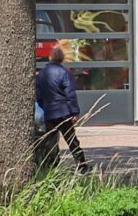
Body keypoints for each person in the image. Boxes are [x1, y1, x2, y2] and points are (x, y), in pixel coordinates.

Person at [33, 41, 93, 175]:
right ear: (61, 58)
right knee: (72, 140)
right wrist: (75, 112)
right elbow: (70, 94)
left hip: (49, 113)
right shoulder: (64, 73)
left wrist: (44, 106)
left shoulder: (42, 74)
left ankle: (49, 166)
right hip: (63, 112)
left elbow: (38, 95)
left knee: (49, 141)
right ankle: (82, 165)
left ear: (50, 57)